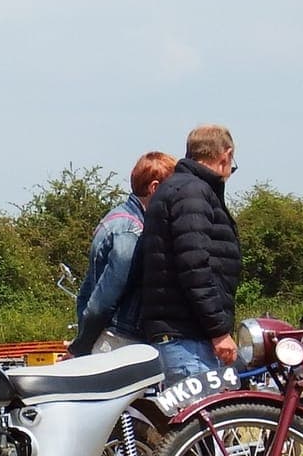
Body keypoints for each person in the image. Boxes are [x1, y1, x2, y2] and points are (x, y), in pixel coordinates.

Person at [137, 123, 243, 383]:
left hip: (177, 335)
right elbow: (194, 266)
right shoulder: (194, 193)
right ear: (225, 155)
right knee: (204, 422)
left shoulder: (177, 188)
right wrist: (218, 331)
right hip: (189, 340)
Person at [69, 151, 177, 356]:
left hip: (112, 338)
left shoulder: (118, 219)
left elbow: (87, 291)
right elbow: (103, 299)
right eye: (172, 189)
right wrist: (82, 345)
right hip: (118, 341)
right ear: (154, 188)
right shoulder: (130, 231)